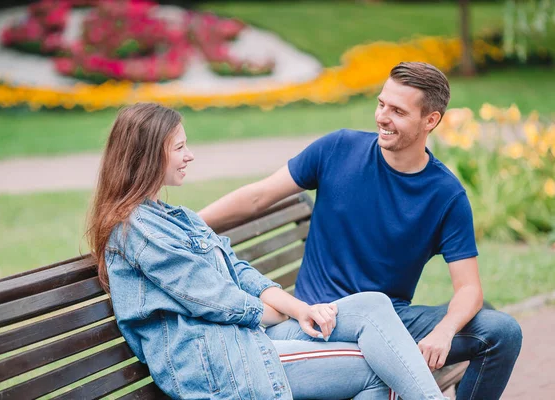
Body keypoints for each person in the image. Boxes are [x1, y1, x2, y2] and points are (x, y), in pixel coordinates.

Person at [199, 62, 523, 400]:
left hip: (391, 321)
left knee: (501, 331)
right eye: (381, 104)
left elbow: (469, 288)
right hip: (315, 322)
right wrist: (187, 222)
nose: (382, 116)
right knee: (382, 377)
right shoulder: (338, 149)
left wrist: (444, 331)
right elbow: (257, 197)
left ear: (431, 120)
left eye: (397, 111)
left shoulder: (446, 195)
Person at [86, 102, 449, 399]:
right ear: (148, 156)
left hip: (244, 337)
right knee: (379, 369)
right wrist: (276, 314)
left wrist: (298, 309)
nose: (190, 156)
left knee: (374, 305)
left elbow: (236, 269)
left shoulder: (177, 217)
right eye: (180, 147)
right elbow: (212, 297)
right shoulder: (136, 229)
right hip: (221, 362)